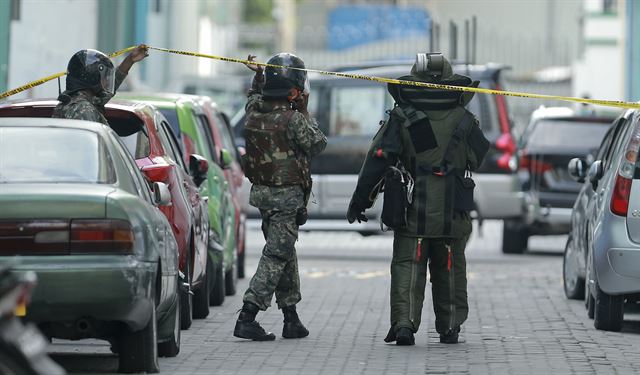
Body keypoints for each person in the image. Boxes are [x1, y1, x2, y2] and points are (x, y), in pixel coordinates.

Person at [347, 53, 490, 345]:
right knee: (450, 267)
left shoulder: (401, 117)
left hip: (412, 210)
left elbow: (377, 160)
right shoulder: (465, 119)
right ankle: (449, 327)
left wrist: (360, 201)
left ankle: (404, 325)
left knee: (407, 266)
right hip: (453, 214)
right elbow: (478, 158)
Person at [234, 53, 327, 341]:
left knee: (285, 253)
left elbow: (253, 94)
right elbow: (318, 143)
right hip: (287, 199)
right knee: (276, 254)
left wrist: (259, 75)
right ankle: (247, 315)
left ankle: (291, 317)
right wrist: (304, 109)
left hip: (263, 196)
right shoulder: (293, 119)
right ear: (295, 91)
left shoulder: (253, 111)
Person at [52, 45, 149, 123]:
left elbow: (110, 86)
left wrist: (130, 60)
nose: (107, 82)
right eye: (104, 78)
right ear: (93, 79)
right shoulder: (84, 110)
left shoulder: (74, 101)